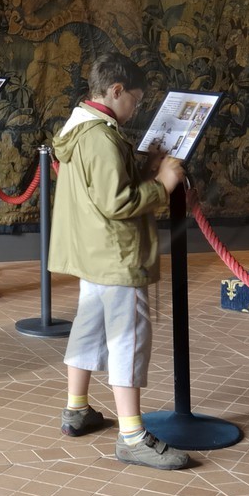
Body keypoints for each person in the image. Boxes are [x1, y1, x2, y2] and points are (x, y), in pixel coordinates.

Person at [49, 51, 189, 471]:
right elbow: (116, 200)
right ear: (116, 91)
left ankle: (77, 410)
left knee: (89, 328)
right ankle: (132, 436)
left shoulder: (81, 126)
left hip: (94, 252)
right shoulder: (102, 136)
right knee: (128, 338)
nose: (137, 108)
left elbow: (101, 183)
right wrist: (163, 184)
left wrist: (141, 168)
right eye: (136, 99)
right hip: (117, 254)